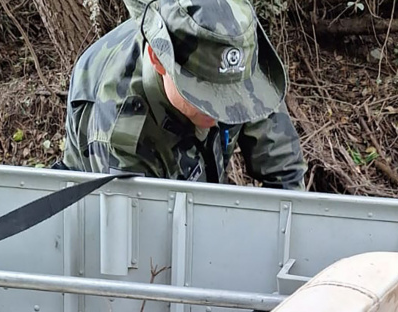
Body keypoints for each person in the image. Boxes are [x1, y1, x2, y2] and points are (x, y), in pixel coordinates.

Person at [58, 0, 307, 190]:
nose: (222, 112)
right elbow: (138, 246)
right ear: (158, 60)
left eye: (232, 96)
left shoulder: (235, 59)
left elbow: (286, 173)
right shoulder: (118, 131)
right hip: (108, 219)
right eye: (205, 94)